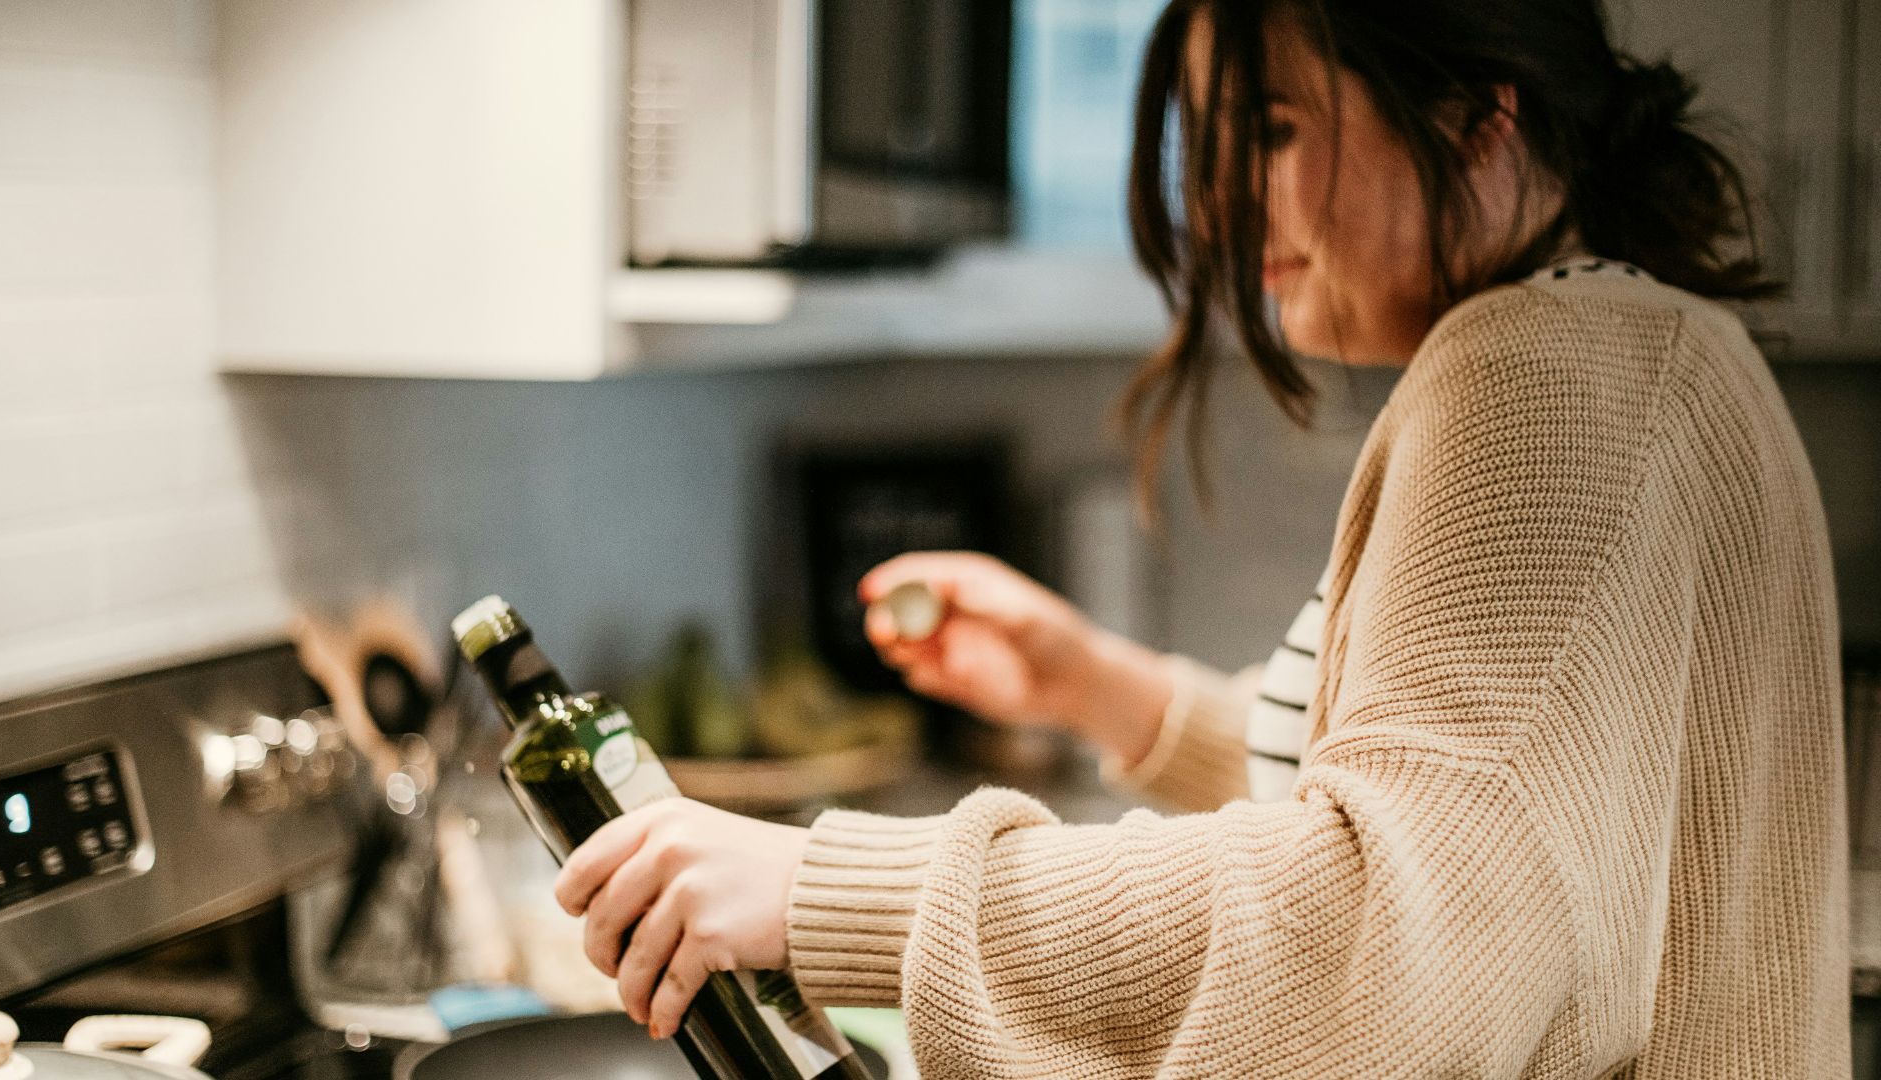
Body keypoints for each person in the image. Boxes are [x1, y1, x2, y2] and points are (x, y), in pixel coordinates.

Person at [551, 0, 1849, 1074]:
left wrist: (832, 892)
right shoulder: (1669, 352)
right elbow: (1479, 818)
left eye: (1274, 131)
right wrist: (1100, 689)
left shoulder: (1537, 377)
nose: (1226, 206)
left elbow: (1375, 939)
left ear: (1476, 119)